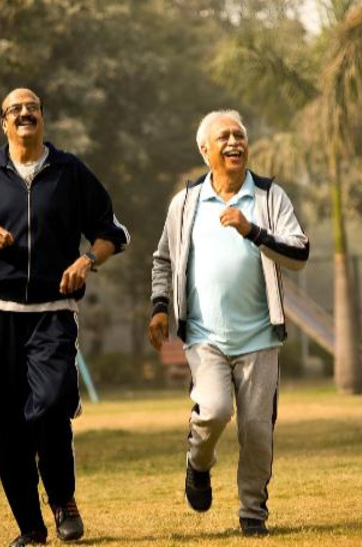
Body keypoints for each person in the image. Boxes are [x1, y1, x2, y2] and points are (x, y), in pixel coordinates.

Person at [0, 88, 130, 547]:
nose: (25, 113)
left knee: (50, 405)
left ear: (43, 118)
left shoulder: (69, 171)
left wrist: (86, 261)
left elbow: (112, 233)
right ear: (3, 123)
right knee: (6, 423)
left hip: (53, 312)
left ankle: (63, 500)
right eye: (15, 109)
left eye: (32, 107)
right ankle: (30, 527)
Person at [147, 109, 309, 537]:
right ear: (205, 150)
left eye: (240, 135)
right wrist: (159, 306)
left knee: (257, 430)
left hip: (260, 336)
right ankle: (197, 463)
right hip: (204, 337)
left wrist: (252, 230)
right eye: (224, 137)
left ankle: (253, 513)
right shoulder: (185, 203)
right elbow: (163, 259)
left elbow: (299, 253)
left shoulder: (270, 197)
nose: (235, 142)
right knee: (215, 410)